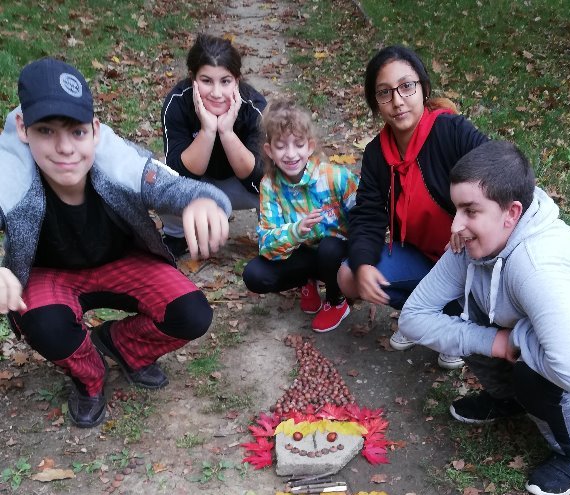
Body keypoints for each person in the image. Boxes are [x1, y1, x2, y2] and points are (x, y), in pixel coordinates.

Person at [399, 141, 570, 495]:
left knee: (534, 374)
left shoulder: (537, 267)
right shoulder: (472, 243)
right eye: (456, 208)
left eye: (471, 211)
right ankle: (511, 399)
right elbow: (413, 318)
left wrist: (515, 339)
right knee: (463, 310)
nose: (456, 224)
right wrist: (494, 342)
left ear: (511, 213)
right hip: (557, 344)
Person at [0, 57, 230, 429]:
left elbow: (174, 186)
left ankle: (121, 344)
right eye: (46, 131)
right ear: (23, 128)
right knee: (46, 326)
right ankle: (90, 377)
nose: (65, 147)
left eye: (77, 132)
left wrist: (204, 201)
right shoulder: (9, 174)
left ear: (94, 129)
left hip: (121, 262)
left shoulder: (118, 162)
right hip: (50, 274)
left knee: (191, 313)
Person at [337, 45, 489, 370]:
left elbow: (498, 166)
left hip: (467, 258)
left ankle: (458, 324)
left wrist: (469, 222)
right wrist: (363, 263)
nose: (397, 100)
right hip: (423, 258)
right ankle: (423, 317)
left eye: (406, 86)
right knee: (348, 275)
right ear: (375, 103)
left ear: (423, 88)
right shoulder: (377, 153)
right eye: (384, 92)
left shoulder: (450, 131)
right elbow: (368, 215)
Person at [242, 97, 358, 333]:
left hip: (337, 253)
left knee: (329, 248)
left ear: (310, 146)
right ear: (269, 151)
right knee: (255, 275)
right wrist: (296, 231)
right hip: (303, 251)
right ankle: (307, 281)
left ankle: (336, 300)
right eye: (281, 146)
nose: (291, 154)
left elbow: (364, 213)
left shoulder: (335, 177)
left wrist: (360, 259)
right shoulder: (269, 185)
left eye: (298, 144)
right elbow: (266, 243)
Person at [161, 33, 266, 257]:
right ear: (193, 78)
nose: (216, 93)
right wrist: (207, 131)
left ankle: (271, 233)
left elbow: (258, 176)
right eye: (206, 81)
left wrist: (227, 132)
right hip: (197, 186)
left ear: (237, 80)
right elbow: (177, 173)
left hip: (242, 187)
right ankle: (176, 235)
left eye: (225, 81)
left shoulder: (254, 106)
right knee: (160, 179)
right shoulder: (177, 102)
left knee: (275, 183)